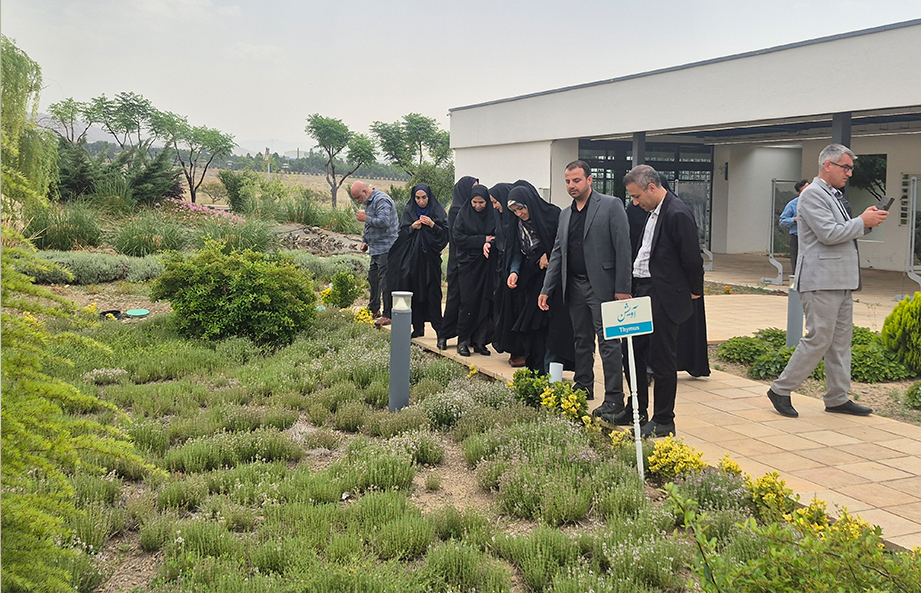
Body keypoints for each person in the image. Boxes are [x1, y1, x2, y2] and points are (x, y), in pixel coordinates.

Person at [767, 144, 888, 418]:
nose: (849, 173)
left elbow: (843, 232)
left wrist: (866, 222)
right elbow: (828, 234)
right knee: (819, 339)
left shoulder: (833, 194)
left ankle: (837, 397)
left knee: (840, 342)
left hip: (840, 280)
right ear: (827, 166)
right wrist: (861, 220)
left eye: (851, 168)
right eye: (845, 167)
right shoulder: (812, 195)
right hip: (821, 281)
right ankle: (781, 389)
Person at [539, 160, 632, 406]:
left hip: (604, 286)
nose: (572, 185)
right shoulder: (565, 214)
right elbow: (558, 253)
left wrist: (623, 289)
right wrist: (547, 289)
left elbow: (623, 248)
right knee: (581, 339)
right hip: (575, 286)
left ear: (590, 180)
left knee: (609, 342)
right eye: (568, 181)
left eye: (577, 180)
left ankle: (614, 397)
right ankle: (583, 386)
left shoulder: (611, 206)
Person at [622, 164, 704, 438]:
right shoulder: (653, 212)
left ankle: (663, 419)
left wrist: (693, 290)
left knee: (661, 359)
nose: (635, 202)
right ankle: (636, 408)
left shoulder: (677, 213)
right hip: (642, 289)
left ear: (652, 188)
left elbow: (692, 258)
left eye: (636, 196)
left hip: (663, 294)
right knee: (633, 352)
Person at [503, 184, 562, 371]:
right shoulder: (517, 224)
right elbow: (517, 251)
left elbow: (560, 244)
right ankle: (537, 369)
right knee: (532, 328)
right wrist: (514, 271)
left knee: (549, 327)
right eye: (514, 211)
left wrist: (550, 255)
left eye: (521, 208)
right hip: (530, 279)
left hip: (552, 281)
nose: (519, 213)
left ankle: (551, 371)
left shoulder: (552, 215)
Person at [387, 183, 448, 339]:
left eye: (424, 198)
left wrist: (432, 225)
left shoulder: (437, 211)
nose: (421, 201)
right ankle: (418, 327)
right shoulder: (409, 211)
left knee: (433, 293)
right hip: (412, 262)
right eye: (418, 198)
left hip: (431, 262)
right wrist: (412, 228)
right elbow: (401, 236)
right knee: (414, 292)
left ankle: (439, 330)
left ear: (429, 197)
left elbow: (444, 236)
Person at [453, 184, 499, 356]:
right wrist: (482, 240)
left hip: (487, 264)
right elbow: (458, 238)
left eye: (481, 202)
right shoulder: (463, 215)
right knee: (469, 302)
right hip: (468, 265)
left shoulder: (492, 215)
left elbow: (497, 235)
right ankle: (463, 340)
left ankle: (480, 341)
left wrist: (489, 242)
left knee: (485, 302)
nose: (478, 206)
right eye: (475, 202)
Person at [351, 181, 398, 326]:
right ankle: (374, 309)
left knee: (386, 282)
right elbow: (369, 226)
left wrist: (366, 218)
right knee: (373, 279)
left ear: (365, 191)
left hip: (386, 248)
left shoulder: (381, 200)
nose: (358, 201)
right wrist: (365, 240)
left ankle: (388, 314)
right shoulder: (369, 203)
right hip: (375, 249)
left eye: (358, 197)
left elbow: (384, 222)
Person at [440, 176, 478, 350]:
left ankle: (465, 338)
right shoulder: (456, 211)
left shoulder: (474, 210)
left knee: (469, 302)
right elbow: (459, 238)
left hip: (472, 263)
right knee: (454, 299)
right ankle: (444, 334)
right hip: (458, 262)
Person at [779, 180, 810, 276]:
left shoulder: (819, 202)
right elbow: (782, 221)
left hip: (812, 238)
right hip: (797, 237)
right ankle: (796, 285)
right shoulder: (792, 204)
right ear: (799, 192)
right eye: (805, 190)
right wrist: (794, 219)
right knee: (797, 263)